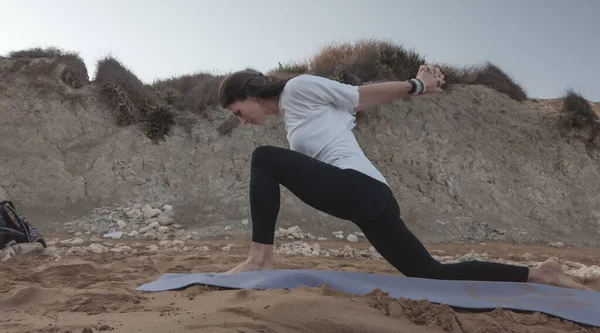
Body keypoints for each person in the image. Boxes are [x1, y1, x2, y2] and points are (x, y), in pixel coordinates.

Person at [217, 65, 591, 290]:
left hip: (360, 189)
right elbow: (350, 112)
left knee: (263, 159)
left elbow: (358, 96)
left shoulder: (298, 88)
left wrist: (416, 85)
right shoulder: (295, 119)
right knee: (426, 273)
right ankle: (538, 274)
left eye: (237, 111)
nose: (243, 120)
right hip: (371, 201)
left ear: (249, 91)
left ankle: (260, 259)